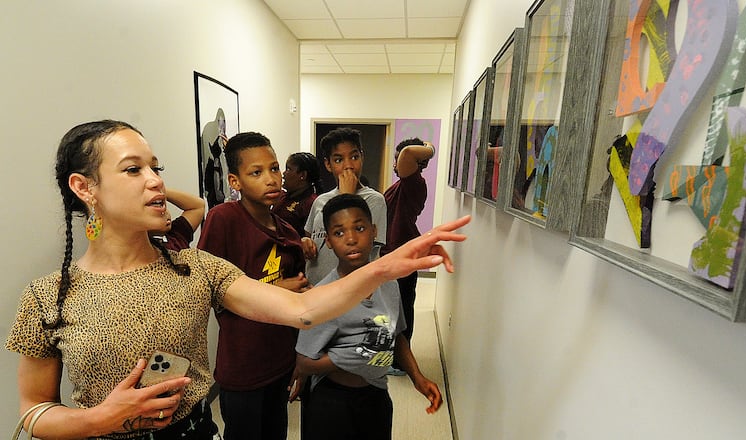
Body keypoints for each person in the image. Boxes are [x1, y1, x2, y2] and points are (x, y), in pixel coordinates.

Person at [4, 120, 470, 440]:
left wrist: (384, 266)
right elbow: (33, 410)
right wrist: (101, 418)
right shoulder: (49, 294)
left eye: (156, 168)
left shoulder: (195, 268)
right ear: (85, 188)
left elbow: (303, 309)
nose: (155, 182)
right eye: (133, 169)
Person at [289, 194, 443, 440]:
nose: (351, 239)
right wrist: (352, 354)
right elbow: (304, 363)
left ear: (374, 231)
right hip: (332, 402)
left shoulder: (389, 284)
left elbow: (396, 335)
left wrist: (418, 378)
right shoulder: (324, 296)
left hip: (376, 396)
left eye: (359, 228)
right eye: (339, 233)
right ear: (328, 241)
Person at [197, 132, 309, 440]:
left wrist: (300, 356)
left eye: (274, 168)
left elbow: (298, 296)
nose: (271, 179)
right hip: (243, 365)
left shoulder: (287, 231)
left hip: (281, 359)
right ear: (235, 181)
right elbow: (207, 289)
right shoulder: (224, 219)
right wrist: (276, 291)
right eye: (256, 173)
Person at [302, 127, 387, 286]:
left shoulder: (374, 200)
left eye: (354, 157)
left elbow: (366, 250)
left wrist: (346, 195)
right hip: (315, 286)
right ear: (328, 164)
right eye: (339, 160)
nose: (348, 166)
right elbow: (309, 235)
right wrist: (305, 241)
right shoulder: (320, 200)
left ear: (362, 157)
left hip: (350, 289)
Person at [382, 137, 435, 374]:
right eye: (394, 158)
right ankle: (390, 356)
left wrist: (429, 149)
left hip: (403, 255)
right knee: (392, 309)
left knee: (402, 310)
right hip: (393, 254)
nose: (396, 162)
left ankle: (399, 362)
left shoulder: (414, 183)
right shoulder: (402, 185)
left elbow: (407, 154)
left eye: (398, 158)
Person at [271, 152, 322, 237]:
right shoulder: (282, 196)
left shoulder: (312, 203)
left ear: (302, 175)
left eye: (288, 169)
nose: (283, 173)